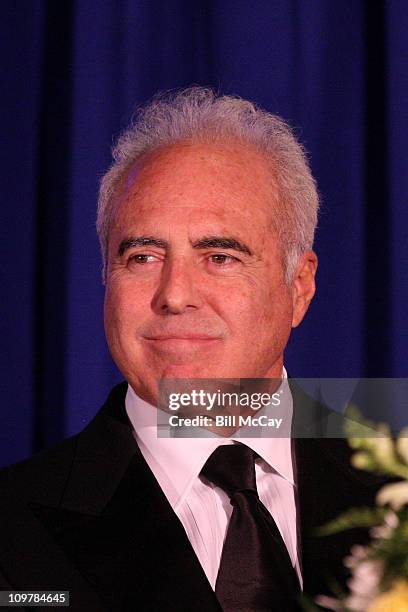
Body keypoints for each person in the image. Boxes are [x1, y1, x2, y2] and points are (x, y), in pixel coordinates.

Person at [0, 88, 383, 611]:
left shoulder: (391, 491)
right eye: (142, 256)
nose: (175, 294)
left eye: (220, 256)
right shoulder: (12, 528)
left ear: (299, 287)